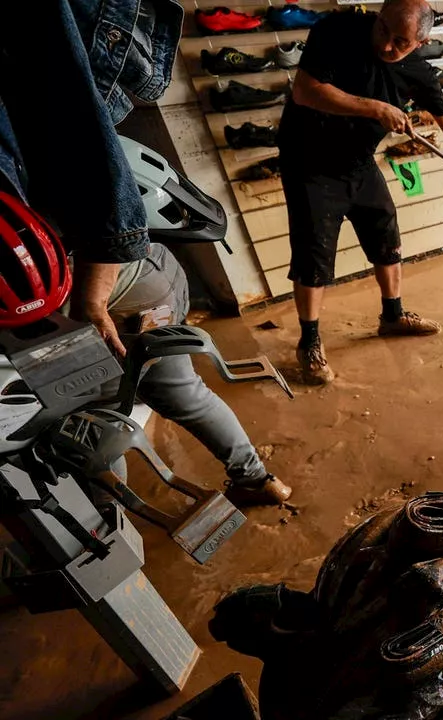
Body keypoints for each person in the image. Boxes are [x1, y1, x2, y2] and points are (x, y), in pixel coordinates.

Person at [0, 1, 290, 507]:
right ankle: (258, 479)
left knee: (100, 405)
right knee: (150, 396)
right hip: (119, 278)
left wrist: (90, 305)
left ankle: (117, 519)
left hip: (108, 284)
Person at [278, 0, 443, 385]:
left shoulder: (417, 70)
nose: (387, 44)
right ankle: (310, 342)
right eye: (384, 29)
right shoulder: (337, 30)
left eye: (400, 42)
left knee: (385, 235)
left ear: (420, 43)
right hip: (308, 161)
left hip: (357, 160)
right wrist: (374, 108)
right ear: (379, 15)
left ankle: (392, 316)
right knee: (314, 253)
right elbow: (305, 92)